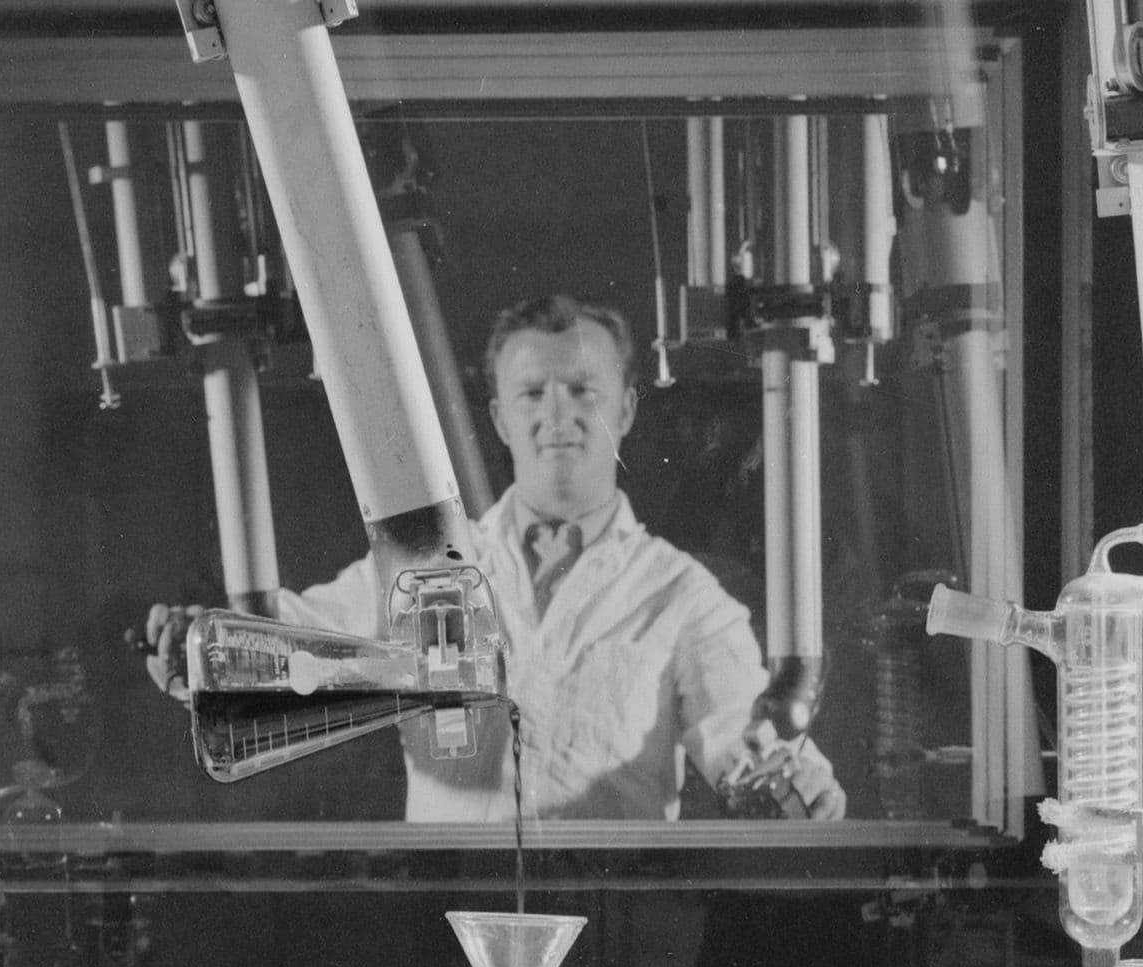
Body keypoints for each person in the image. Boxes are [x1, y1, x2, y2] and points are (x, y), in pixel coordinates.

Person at [149, 293, 846, 824]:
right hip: (445, 936)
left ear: (628, 409)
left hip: (610, 935)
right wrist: (199, 653)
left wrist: (800, 783)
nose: (558, 416)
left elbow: (745, 737)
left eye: (584, 391)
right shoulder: (425, 568)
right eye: (532, 393)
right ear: (498, 417)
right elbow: (287, 648)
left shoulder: (683, 595)